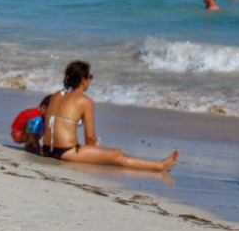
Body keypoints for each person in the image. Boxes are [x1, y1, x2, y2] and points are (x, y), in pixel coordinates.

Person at [41, 60, 179, 171]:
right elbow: (89, 137)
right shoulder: (85, 101)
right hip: (65, 151)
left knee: (109, 154)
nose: (90, 80)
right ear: (83, 80)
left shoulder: (56, 95)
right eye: (90, 77)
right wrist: (94, 148)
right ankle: (159, 166)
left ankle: (159, 165)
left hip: (46, 149)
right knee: (116, 154)